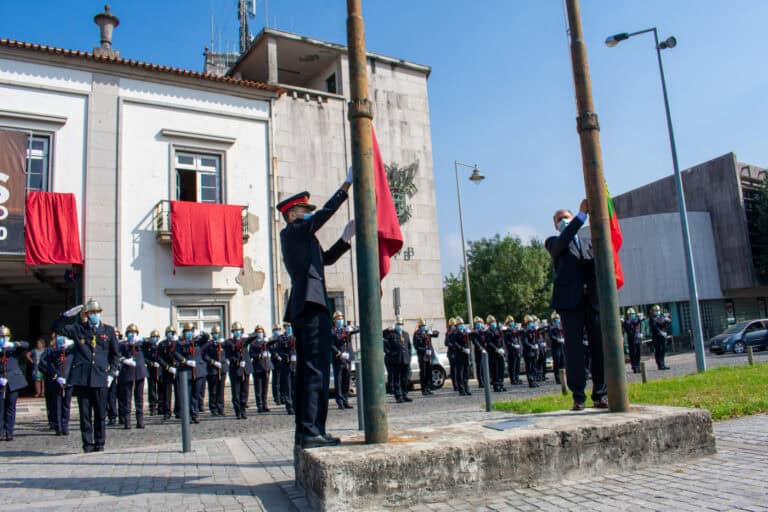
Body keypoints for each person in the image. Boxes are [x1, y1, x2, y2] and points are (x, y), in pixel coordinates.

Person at [277, 173, 355, 449]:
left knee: (319, 369)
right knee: (313, 370)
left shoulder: (303, 238)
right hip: (309, 305)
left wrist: (346, 239)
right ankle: (310, 430)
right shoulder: (293, 231)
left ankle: (313, 429)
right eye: (304, 211)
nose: (308, 215)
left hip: (313, 303)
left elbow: (325, 259)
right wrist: (345, 188)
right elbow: (322, 216)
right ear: (291, 215)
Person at [545, 201, 607, 410]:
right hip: (570, 303)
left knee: (599, 348)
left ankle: (600, 393)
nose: (562, 221)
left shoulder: (589, 242)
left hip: (593, 301)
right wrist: (581, 216)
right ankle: (578, 396)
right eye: (558, 219)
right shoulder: (554, 242)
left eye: (565, 217)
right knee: (574, 350)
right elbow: (563, 242)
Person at [52, 299, 120, 453]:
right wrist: (66, 315)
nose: (94, 315)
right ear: (87, 314)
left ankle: (100, 443)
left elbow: (115, 355)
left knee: (100, 414)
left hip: (101, 377)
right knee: (85, 415)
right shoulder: (78, 329)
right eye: (91, 313)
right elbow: (57, 328)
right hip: (83, 378)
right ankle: (87, 444)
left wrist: (112, 373)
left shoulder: (108, 331)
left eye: (97, 312)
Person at [0, 326, 29, 441]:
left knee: (11, 408)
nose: (4, 338)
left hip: (13, 381)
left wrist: (14, 344)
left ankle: (9, 432)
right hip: (1, 380)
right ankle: (1, 432)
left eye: (6, 336)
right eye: (1, 337)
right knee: (0, 408)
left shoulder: (13, 348)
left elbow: (26, 345)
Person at [42, 333, 75, 436]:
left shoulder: (71, 351)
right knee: (57, 405)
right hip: (56, 382)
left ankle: (65, 426)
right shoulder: (51, 352)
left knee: (66, 405)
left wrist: (71, 343)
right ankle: (58, 427)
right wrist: (56, 376)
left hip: (68, 382)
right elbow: (46, 366)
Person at [117, 324, 146, 429]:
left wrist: (140, 341)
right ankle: (127, 421)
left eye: (134, 333)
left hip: (139, 372)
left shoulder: (141, 343)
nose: (132, 335)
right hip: (127, 372)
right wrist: (124, 360)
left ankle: (140, 420)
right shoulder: (123, 344)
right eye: (130, 333)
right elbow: (117, 354)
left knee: (139, 398)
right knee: (127, 398)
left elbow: (148, 345)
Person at [174, 322, 203, 423]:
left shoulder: (198, 341)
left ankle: (195, 414)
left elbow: (206, 338)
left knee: (196, 395)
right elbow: (176, 353)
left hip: (198, 372)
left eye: (190, 331)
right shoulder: (180, 342)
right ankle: (188, 415)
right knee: (187, 395)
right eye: (187, 332)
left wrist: (201, 333)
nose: (189, 333)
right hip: (186, 372)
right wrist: (186, 361)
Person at [225, 322, 252, 419]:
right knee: (236, 392)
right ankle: (237, 411)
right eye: (235, 331)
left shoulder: (245, 340)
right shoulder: (229, 342)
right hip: (235, 369)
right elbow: (228, 354)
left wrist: (248, 335)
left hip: (245, 369)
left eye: (239, 330)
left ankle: (243, 410)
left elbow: (253, 337)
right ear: (233, 332)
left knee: (244, 391)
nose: (237, 332)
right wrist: (237, 361)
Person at [331, 312, 357, 409]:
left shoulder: (346, 329)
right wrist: (339, 353)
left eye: (341, 318)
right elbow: (331, 344)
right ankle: (339, 401)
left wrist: (351, 329)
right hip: (339, 358)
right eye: (338, 319)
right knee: (339, 380)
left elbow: (356, 330)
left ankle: (345, 400)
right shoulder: (332, 331)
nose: (340, 320)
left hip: (348, 358)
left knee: (346, 380)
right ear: (334, 320)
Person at [385, 317, 412, 403]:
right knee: (397, 379)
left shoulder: (406, 334)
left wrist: (409, 356)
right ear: (395, 325)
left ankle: (404, 394)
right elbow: (383, 341)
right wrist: (390, 354)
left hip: (405, 359)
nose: (400, 325)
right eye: (398, 324)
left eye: (401, 324)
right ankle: (398, 396)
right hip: (396, 359)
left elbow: (409, 347)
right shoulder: (391, 334)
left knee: (405, 379)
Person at [272, 323, 297, 415]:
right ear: (284, 328)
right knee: (288, 386)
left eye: (290, 326)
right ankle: (289, 406)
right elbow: (277, 351)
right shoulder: (281, 338)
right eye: (287, 327)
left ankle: (296, 405)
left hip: (296, 364)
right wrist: (284, 356)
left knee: (295, 386)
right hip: (286, 364)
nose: (289, 328)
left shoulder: (297, 336)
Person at [204, 325, 227, 416]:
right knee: (213, 390)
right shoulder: (208, 344)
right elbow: (205, 356)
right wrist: (213, 362)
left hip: (222, 370)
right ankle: (213, 408)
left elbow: (228, 353)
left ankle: (220, 408)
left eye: (217, 333)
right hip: (212, 370)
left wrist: (226, 361)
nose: (216, 335)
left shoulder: (223, 343)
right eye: (214, 333)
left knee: (221, 390)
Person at [413, 318, 439, 396]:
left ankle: (428, 388)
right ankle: (424, 389)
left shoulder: (427, 332)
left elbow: (436, 334)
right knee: (423, 373)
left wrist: (431, 331)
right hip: (422, 356)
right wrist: (425, 350)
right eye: (422, 325)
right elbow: (417, 346)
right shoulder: (417, 333)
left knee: (429, 373)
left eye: (424, 325)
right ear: (419, 326)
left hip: (429, 356)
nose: (423, 327)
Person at [250, 325, 271, 414]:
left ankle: (265, 404)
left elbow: (273, 349)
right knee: (258, 387)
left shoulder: (266, 341)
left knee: (265, 387)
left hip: (266, 366)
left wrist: (269, 352)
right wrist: (259, 355)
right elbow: (251, 354)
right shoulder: (253, 343)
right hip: (257, 366)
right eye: (258, 332)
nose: (260, 333)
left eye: (261, 332)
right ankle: (259, 405)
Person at [158, 326, 178, 420]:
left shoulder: (178, 343)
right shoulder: (162, 344)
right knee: (167, 392)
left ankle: (179, 410)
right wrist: (167, 367)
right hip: (167, 370)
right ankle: (167, 411)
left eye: (172, 332)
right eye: (169, 332)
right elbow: (159, 358)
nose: (171, 334)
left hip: (177, 370)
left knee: (179, 391)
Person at [143, 329, 162, 416]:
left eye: (156, 337)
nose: (155, 338)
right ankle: (153, 407)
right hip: (151, 370)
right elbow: (145, 358)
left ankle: (161, 407)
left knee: (161, 389)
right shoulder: (148, 347)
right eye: (153, 337)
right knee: (152, 390)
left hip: (160, 370)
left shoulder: (161, 346)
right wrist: (151, 363)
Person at [484, 315, 506, 392]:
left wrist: (503, 349)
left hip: (500, 353)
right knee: (495, 370)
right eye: (492, 322)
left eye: (494, 321)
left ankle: (501, 384)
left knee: (501, 369)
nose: (494, 323)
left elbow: (502, 340)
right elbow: (489, 343)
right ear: (489, 324)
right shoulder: (488, 332)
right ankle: (496, 386)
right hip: (493, 353)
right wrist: (496, 349)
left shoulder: (498, 330)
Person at [452, 317, 472, 396]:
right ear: (457, 325)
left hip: (465, 354)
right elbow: (454, 343)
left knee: (466, 372)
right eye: (459, 324)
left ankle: (467, 388)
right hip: (459, 354)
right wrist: (462, 349)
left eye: (462, 324)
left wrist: (469, 333)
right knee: (460, 372)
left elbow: (468, 341)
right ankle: (461, 390)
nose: (461, 325)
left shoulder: (465, 332)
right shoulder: (455, 332)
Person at [649, 305, 672, 370]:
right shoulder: (652, 318)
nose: (657, 312)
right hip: (656, 336)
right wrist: (659, 332)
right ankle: (659, 365)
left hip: (663, 335)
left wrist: (667, 321)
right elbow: (654, 326)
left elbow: (666, 324)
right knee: (658, 350)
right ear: (653, 311)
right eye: (656, 311)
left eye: (658, 310)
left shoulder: (662, 316)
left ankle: (663, 364)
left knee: (663, 349)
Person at [106, 328, 121, 426]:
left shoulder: (122, 344)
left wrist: (117, 369)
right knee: (109, 397)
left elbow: (118, 357)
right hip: (109, 372)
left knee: (119, 397)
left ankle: (121, 416)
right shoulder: (108, 344)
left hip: (118, 372)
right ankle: (112, 416)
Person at [502, 316, 522, 386]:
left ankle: (517, 378)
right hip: (511, 351)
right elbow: (507, 342)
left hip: (517, 350)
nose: (512, 323)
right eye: (510, 322)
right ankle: (513, 380)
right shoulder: (506, 331)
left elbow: (518, 337)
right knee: (512, 366)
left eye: (512, 321)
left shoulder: (514, 329)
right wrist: (513, 345)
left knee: (517, 366)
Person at [622, 308, 643, 374]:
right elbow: (629, 331)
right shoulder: (626, 322)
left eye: (633, 314)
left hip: (637, 339)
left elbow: (639, 327)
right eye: (630, 314)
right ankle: (634, 367)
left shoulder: (636, 320)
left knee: (638, 353)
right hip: (632, 340)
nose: (632, 315)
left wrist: (640, 333)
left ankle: (638, 366)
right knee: (633, 353)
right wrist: (638, 321)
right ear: (628, 315)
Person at [522, 315, 539, 388]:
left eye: (532, 322)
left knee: (534, 367)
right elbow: (525, 342)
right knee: (529, 367)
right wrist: (531, 346)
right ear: (527, 323)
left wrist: (536, 344)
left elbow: (535, 339)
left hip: (534, 351)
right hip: (528, 352)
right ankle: (531, 381)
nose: (531, 323)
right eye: (530, 322)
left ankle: (534, 380)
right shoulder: (524, 331)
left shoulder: (533, 330)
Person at [549, 313, 566, 384]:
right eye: (556, 319)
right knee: (557, 362)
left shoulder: (561, 325)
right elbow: (551, 336)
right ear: (553, 319)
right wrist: (557, 339)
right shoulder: (551, 326)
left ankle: (563, 378)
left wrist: (564, 338)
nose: (557, 320)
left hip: (562, 345)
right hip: (556, 346)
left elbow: (564, 333)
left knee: (563, 361)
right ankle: (557, 378)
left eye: (558, 318)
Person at [445, 318, 458, 392]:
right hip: (452, 353)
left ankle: (459, 383)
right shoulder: (448, 333)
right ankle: (455, 385)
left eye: (454, 325)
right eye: (451, 325)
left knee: (458, 370)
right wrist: (452, 345)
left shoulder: (457, 332)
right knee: (454, 370)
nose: (453, 326)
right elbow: (446, 342)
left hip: (457, 352)